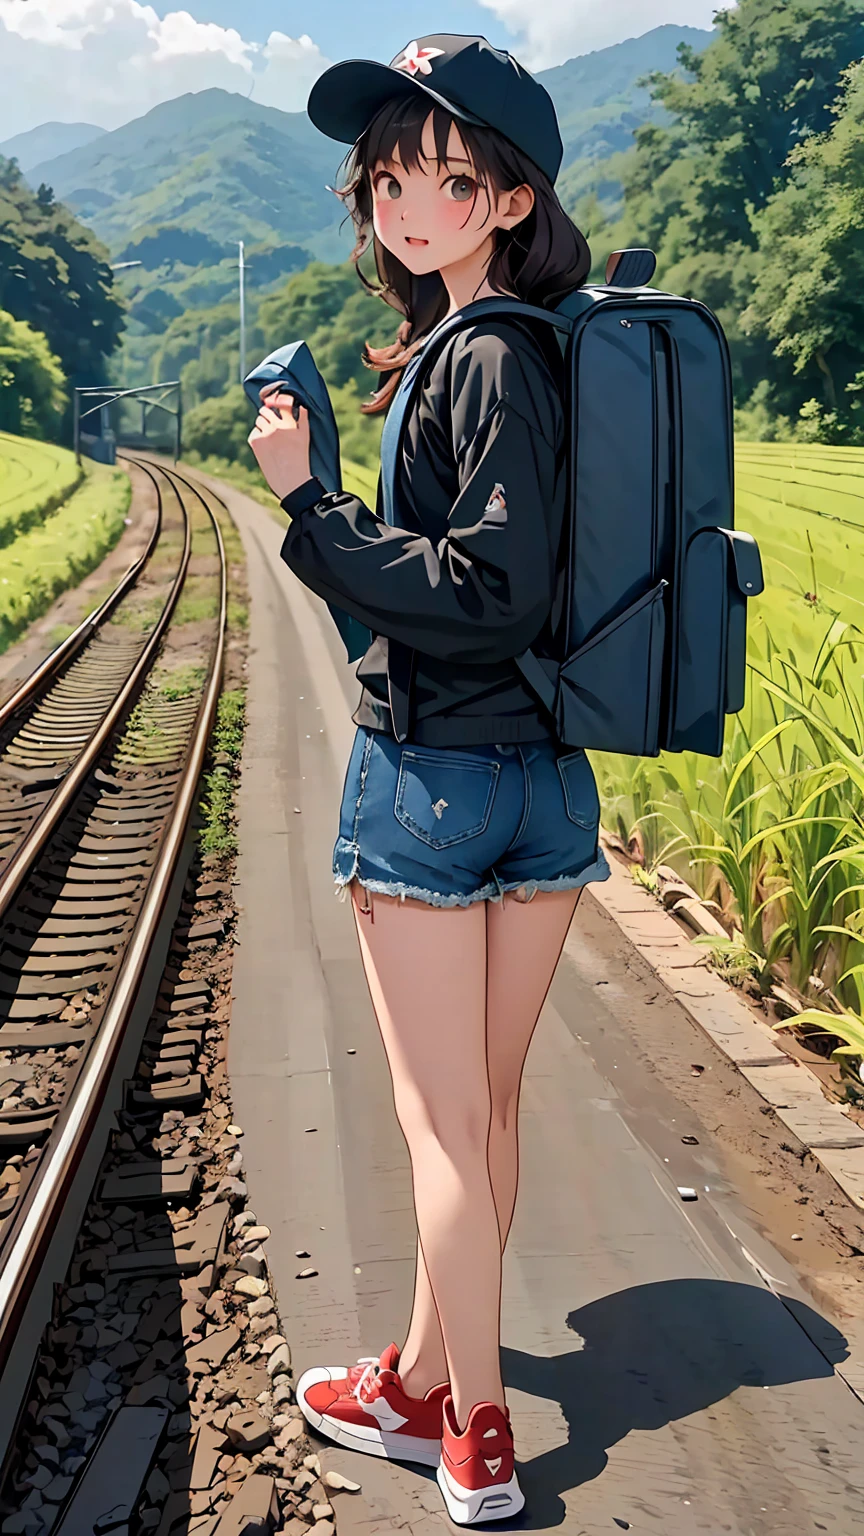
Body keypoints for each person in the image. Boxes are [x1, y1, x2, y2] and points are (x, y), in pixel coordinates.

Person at [247, 33, 611, 1526]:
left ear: (512, 200)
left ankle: (475, 1434)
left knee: (442, 1130)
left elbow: (485, 587)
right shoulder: (544, 349)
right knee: (489, 1112)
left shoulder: (487, 358)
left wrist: (309, 503)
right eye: (393, 175)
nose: (411, 203)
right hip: (543, 789)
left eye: (451, 179)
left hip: (436, 788)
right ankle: (409, 1376)